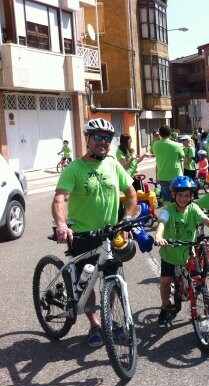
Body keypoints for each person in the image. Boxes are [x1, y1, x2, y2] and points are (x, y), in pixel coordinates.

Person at [52, 118, 138, 347]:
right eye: (98, 137)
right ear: (87, 139)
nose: (103, 142)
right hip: (82, 236)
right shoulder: (74, 169)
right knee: (88, 284)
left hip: (110, 235)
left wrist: (127, 220)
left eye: (107, 138)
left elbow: (131, 194)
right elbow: (60, 198)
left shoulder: (113, 164)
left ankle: (108, 320)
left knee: (111, 278)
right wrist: (61, 224)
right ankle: (94, 324)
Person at [154, 176, 209, 325]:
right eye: (180, 195)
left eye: (187, 195)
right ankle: (165, 306)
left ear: (192, 196)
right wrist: (159, 236)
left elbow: (205, 219)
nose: (183, 198)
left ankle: (207, 306)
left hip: (188, 253)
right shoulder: (168, 210)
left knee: (199, 279)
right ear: (174, 195)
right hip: (170, 253)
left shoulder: (193, 208)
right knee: (165, 281)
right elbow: (162, 223)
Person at [150, 125, 184, 204]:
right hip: (175, 175)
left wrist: (157, 176)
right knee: (178, 199)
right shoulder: (177, 145)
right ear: (170, 134)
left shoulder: (155, 145)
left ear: (160, 134)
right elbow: (181, 159)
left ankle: (167, 215)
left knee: (166, 200)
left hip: (162, 175)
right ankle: (177, 215)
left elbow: (156, 158)